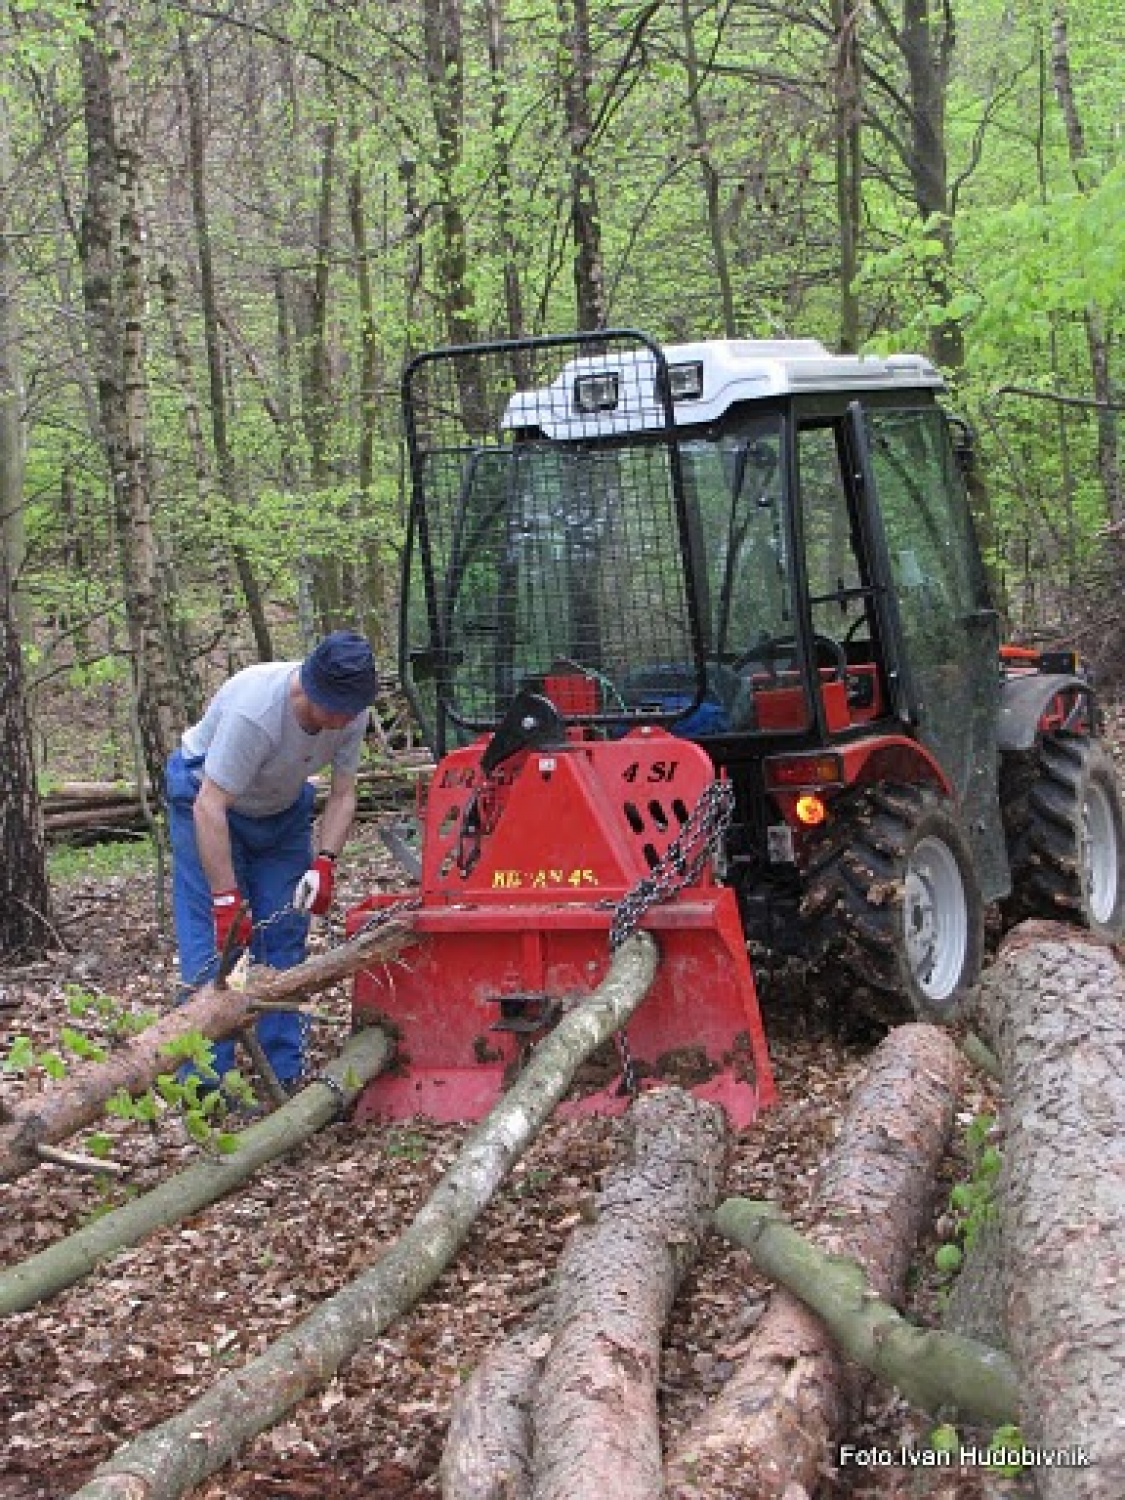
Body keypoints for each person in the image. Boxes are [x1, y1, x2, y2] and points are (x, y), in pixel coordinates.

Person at [165, 630, 378, 1090]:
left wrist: (325, 862)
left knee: (284, 933)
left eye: (350, 710)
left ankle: (282, 1076)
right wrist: (226, 899)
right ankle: (205, 1087)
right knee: (214, 950)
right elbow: (209, 805)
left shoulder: (353, 712)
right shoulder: (256, 712)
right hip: (206, 803)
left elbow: (343, 793)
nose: (342, 721)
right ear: (312, 688)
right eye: (335, 709)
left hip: (281, 809)